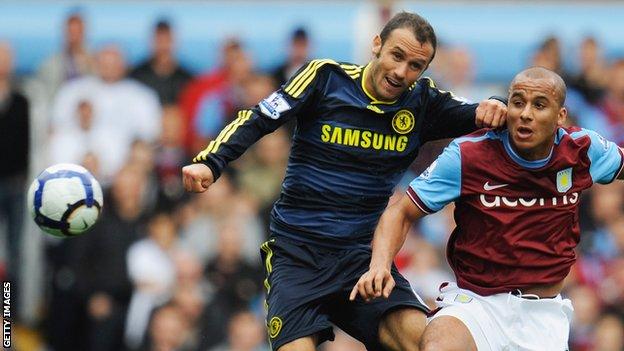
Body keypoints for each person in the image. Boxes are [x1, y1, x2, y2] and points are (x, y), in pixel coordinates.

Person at [183, 12, 507, 351]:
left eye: (415, 65)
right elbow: (262, 115)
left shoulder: (423, 102)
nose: (401, 72)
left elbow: (487, 111)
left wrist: (497, 105)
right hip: (298, 256)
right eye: (397, 55)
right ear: (377, 44)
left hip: (362, 259)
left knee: (428, 343)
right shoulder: (324, 78)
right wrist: (211, 162)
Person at [351, 67, 624, 351]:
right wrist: (380, 265)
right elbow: (400, 212)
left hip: (543, 315)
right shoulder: (469, 155)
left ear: (560, 116)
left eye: (539, 105)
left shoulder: (582, 149)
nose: (526, 113)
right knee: (438, 346)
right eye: (518, 102)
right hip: (476, 304)